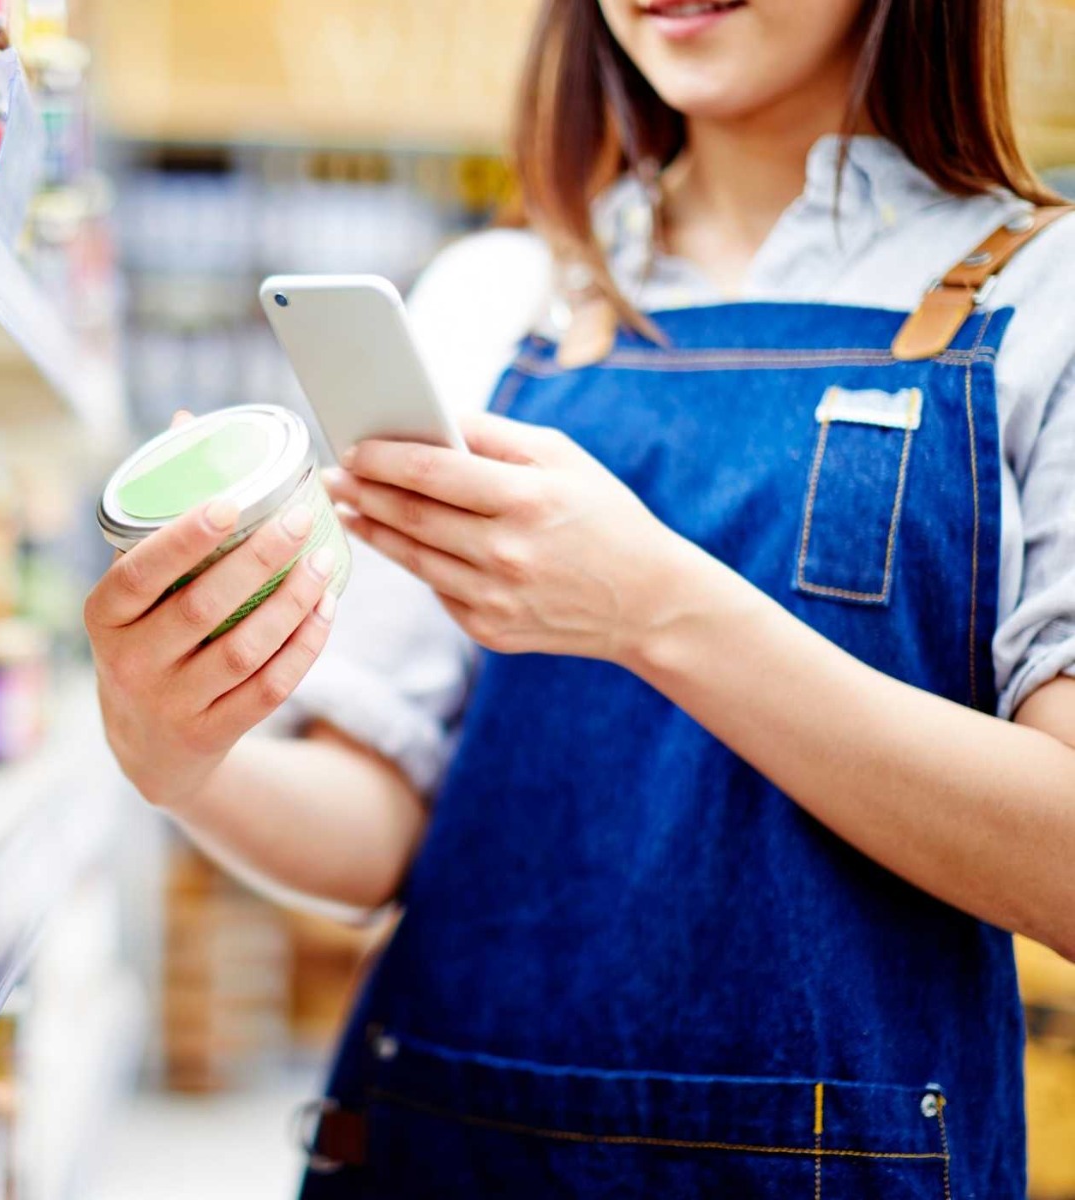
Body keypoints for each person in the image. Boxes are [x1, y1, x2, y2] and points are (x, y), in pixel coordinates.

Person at [83, 0, 1075, 1194]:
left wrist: (656, 612)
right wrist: (180, 756)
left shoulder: (1047, 302)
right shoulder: (494, 301)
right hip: (448, 1145)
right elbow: (380, 823)